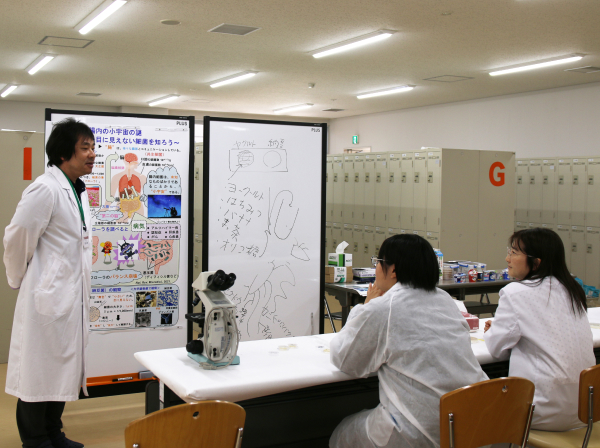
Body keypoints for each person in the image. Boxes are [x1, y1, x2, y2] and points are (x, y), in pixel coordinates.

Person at [329, 234, 488, 448]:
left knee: (341, 433)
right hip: (471, 426)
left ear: (393, 270)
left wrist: (364, 307)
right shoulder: (445, 300)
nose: (376, 269)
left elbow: (345, 358)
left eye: (378, 262)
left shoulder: (385, 307)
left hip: (417, 431)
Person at [4, 118, 95, 448]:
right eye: (84, 148)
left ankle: (54, 432)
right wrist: (18, 278)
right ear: (63, 153)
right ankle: (35, 439)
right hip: (47, 297)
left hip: (69, 298)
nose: (92, 154)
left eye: (93, 147)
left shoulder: (77, 190)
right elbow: (18, 237)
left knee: (60, 368)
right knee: (37, 372)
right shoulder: (45, 188)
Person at [484, 227, 595, 431]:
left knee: (481, 411)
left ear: (536, 263)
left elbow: (496, 349)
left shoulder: (516, 292)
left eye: (514, 252)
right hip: (586, 410)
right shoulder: (572, 289)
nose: (508, 259)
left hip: (545, 411)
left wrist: (493, 331)